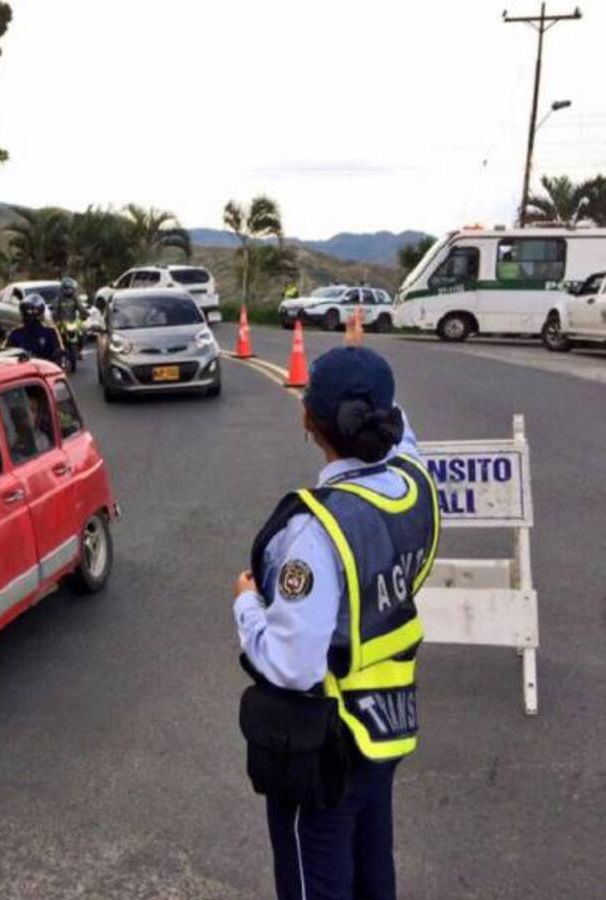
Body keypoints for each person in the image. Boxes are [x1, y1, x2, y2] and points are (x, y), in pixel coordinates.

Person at [233, 316, 440, 900]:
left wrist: (246, 606)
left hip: (327, 745)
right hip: (388, 728)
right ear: (387, 416)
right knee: (375, 874)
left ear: (309, 422)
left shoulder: (316, 533)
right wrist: (359, 358)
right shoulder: (416, 485)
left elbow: (292, 664)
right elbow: (404, 434)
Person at [5, 294, 64, 365]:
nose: (28, 316)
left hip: (43, 369)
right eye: (26, 312)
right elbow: (5, 356)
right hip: (21, 369)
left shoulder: (50, 332)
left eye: (31, 312)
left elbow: (58, 356)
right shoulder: (15, 333)